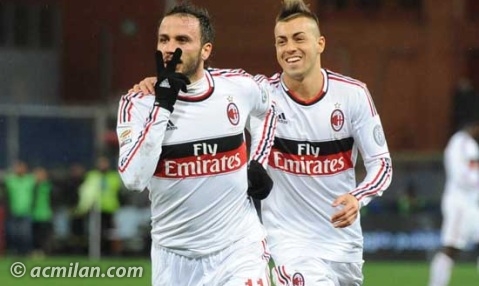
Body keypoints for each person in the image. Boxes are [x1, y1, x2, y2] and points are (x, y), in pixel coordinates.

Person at [130, 1, 392, 285]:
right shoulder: (263, 92)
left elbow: (382, 163)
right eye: (281, 41)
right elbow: (209, 81)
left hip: (344, 245)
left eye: (298, 38)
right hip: (288, 246)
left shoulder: (352, 95)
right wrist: (163, 80)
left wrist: (358, 196)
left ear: (320, 43)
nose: (289, 47)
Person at [116, 2, 277, 286]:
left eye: (182, 40)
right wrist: (162, 106)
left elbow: (270, 108)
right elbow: (133, 179)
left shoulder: (237, 87)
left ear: (206, 50)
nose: (170, 48)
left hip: (238, 249)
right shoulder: (138, 103)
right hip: (173, 259)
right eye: (164, 39)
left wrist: (258, 161)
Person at [428, 122, 479, 286]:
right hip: (461, 203)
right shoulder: (465, 143)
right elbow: (468, 177)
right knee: (451, 247)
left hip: (469, 203)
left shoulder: (458, 142)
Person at [76, 156, 122, 256]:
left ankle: (108, 252)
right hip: (95, 208)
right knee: (95, 231)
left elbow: (115, 188)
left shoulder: (113, 176)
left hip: (109, 207)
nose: (102, 166)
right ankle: (95, 251)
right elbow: (86, 189)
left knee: (109, 232)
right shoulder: (92, 175)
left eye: (104, 163)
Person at [31, 167, 53, 258]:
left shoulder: (48, 186)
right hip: (34, 214)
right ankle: (37, 251)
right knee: (35, 236)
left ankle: (44, 251)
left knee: (44, 236)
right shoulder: (33, 187)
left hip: (46, 214)